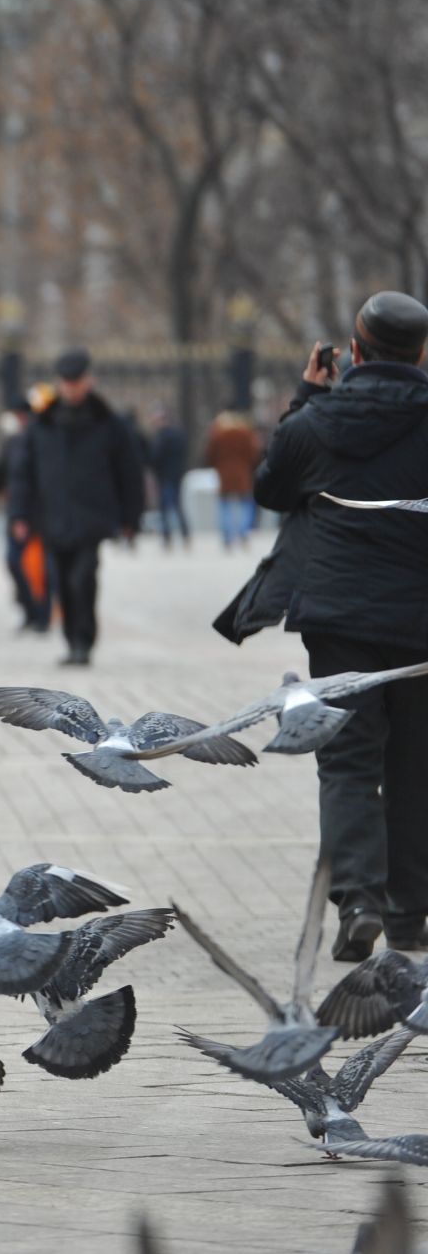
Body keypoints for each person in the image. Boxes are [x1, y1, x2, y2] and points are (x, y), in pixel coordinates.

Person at [254, 292, 428, 962]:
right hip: (419, 618)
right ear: (420, 355)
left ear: (353, 352)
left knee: (349, 761)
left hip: (341, 617)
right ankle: (412, 914)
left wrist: (304, 394)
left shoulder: (318, 421)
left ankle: (359, 899)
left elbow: (272, 488)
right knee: (416, 762)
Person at [7, 349, 144, 667]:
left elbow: (129, 472)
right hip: (51, 516)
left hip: (91, 517)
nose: (71, 388)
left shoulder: (108, 422)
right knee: (59, 581)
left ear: (88, 381)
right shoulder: (42, 424)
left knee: (82, 578)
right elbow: (22, 474)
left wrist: (130, 518)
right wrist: (19, 514)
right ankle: (71, 640)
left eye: (76, 381)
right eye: (66, 382)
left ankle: (84, 640)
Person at [0, 405, 49, 632]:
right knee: (14, 562)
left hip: (43, 514)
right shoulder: (14, 444)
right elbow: (2, 474)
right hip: (19, 513)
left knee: (45, 569)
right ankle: (30, 610)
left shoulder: (45, 440)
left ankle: (42, 615)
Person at [204, 409, 262, 550]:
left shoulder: (218, 434)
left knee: (224, 505)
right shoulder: (245, 434)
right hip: (242, 473)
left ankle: (227, 536)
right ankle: (243, 531)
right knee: (245, 503)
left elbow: (210, 454)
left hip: (224, 473)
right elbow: (254, 453)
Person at [147, 405, 191, 548]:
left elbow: (155, 457)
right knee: (177, 506)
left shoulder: (161, 437)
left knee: (165, 508)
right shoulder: (178, 435)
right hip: (177, 474)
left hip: (165, 475)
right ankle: (185, 534)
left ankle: (167, 536)